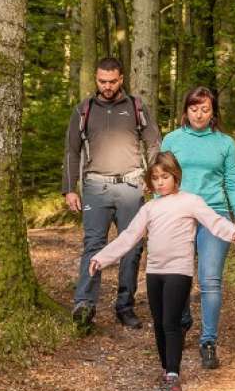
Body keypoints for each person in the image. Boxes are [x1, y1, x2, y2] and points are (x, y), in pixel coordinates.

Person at [89, 152, 235, 391]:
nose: (160, 182)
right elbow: (129, 236)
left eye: (165, 177)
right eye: (155, 178)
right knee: (160, 324)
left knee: (172, 323)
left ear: (176, 177)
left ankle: (173, 377)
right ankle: (167, 373)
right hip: (154, 272)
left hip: (178, 272)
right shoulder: (149, 208)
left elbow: (214, 221)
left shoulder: (190, 202)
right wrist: (101, 258)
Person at [62, 57, 161, 331]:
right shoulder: (84, 110)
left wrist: (153, 179)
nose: (107, 86)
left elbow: (154, 143)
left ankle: (125, 306)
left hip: (131, 186)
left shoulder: (136, 107)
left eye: (112, 82)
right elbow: (71, 151)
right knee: (93, 245)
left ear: (121, 79)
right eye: (102, 81)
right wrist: (69, 189)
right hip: (95, 187)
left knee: (133, 246)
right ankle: (84, 305)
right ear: (96, 79)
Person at [161, 87, 235, 369]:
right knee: (178, 275)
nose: (199, 114)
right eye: (194, 109)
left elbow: (233, 183)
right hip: (179, 214)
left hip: (215, 215)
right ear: (185, 111)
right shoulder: (172, 140)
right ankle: (182, 318)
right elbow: (161, 178)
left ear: (213, 113)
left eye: (205, 109)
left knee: (210, 279)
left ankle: (208, 341)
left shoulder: (225, 143)